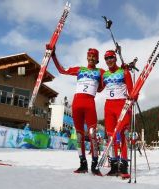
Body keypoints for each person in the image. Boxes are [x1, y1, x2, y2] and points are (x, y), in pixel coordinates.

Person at [48, 46, 104, 176]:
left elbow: (105, 84)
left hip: (89, 103)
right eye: (89, 55)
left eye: (94, 56)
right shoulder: (80, 69)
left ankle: (94, 165)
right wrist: (53, 55)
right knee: (79, 135)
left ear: (97, 59)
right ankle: (82, 164)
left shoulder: (101, 72)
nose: (91, 58)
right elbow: (62, 70)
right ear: (87, 57)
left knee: (92, 134)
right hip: (77, 103)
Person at [101, 50, 136, 177]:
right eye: (106, 58)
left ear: (115, 58)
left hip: (121, 105)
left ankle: (124, 165)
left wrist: (132, 99)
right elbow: (99, 87)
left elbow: (132, 91)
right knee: (111, 137)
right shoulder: (104, 74)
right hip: (108, 106)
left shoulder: (124, 72)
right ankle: (114, 165)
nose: (109, 60)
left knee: (121, 135)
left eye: (111, 57)